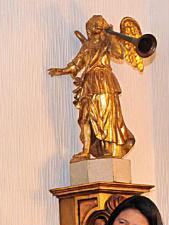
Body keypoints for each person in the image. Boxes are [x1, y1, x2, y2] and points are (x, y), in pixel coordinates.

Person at [48, 14, 135, 162]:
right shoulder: (87, 46)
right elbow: (77, 64)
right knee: (84, 118)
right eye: (91, 25)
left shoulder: (107, 42)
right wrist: (62, 70)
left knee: (105, 116)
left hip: (104, 82)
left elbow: (120, 54)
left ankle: (108, 149)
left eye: (97, 25)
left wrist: (111, 36)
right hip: (89, 83)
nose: (93, 28)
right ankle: (86, 150)